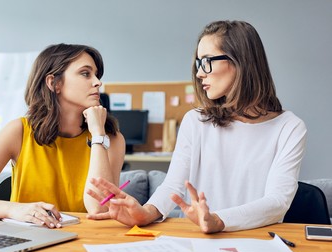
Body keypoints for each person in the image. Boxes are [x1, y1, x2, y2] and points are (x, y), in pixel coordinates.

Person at [87, 20, 307, 233]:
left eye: (207, 61)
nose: (200, 72)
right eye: (198, 63)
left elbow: (278, 201)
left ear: (241, 62)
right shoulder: (196, 121)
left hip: (259, 240)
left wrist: (219, 221)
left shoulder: (289, 127)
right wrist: (146, 212)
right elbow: (173, 186)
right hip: (199, 240)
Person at [0, 43, 125, 228]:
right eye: (86, 73)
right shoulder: (19, 131)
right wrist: (13, 209)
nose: (97, 82)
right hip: (28, 242)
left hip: (87, 242)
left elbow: (99, 209)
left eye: (97, 75)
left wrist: (98, 135)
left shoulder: (111, 139)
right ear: (54, 83)